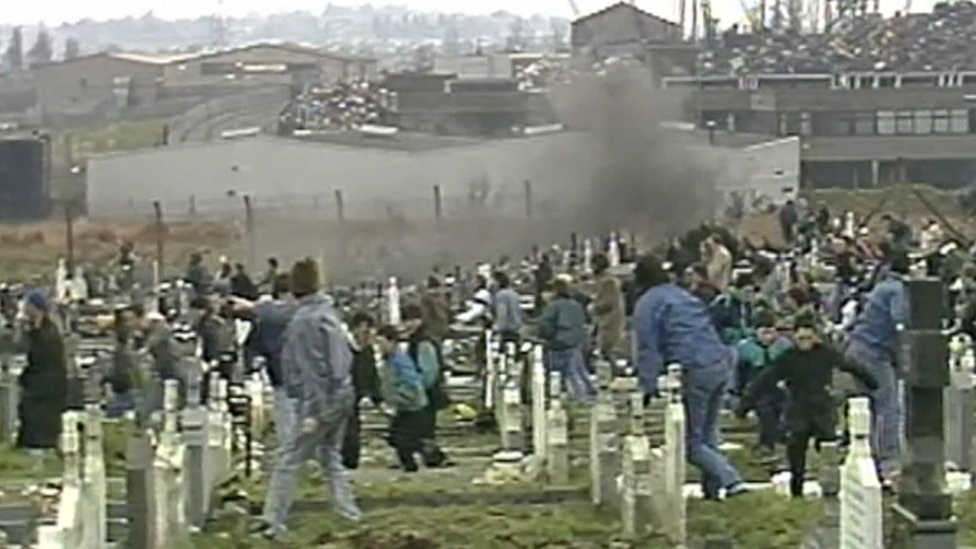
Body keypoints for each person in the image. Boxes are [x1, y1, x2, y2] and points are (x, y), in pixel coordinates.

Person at [257, 258, 360, 538]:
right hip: (341, 396)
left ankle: (273, 521)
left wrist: (314, 413)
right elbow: (341, 363)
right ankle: (347, 512)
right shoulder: (328, 314)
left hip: (318, 402)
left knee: (288, 460)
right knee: (330, 457)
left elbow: (311, 371)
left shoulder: (304, 322)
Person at [632, 255, 746, 500]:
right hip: (719, 360)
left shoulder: (648, 304)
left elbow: (648, 348)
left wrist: (647, 386)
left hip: (694, 368)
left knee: (692, 444)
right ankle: (712, 491)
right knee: (708, 433)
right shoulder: (682, 295)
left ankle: (733, 481)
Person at [738, 315, 877, 498]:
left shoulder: (826, 353)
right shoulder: (788, 358)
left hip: (822, 408)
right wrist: (744, 405)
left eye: (809, 338)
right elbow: (763, 380)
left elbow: (850, 366)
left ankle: (831, 488)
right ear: (794, 338)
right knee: (796, 454)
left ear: (816, 337)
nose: (805, 342)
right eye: (801, 339)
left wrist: (872, 382)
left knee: (828, 451)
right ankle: (797, 492)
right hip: (798, 408)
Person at [845, 252, 908, 485]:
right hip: (875, 353)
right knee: (889, 407)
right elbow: (899, 321)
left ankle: (864, 460)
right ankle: (889, 465)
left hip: (857, 348)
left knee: (866, 407)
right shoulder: (898, 291)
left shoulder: (882, 286)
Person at [244, 274, 297, 445]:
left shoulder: (264, 318)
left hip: (278, 375)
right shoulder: (301, 315)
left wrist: (255, 361)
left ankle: (291, 455)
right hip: (302, 375)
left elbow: (253, 344)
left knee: (285, 419)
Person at [734, 309, 792, 459]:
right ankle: (767, 445)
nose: (769, 337)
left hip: (779, 388)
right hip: (755, 390)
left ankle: (781, 436)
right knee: (765, 409)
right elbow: (740, 375)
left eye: (771, 332)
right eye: (764, 332)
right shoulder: (746, 349)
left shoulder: (784, 348)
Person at [16, 291, 68, 452]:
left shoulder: (48, 334)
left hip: (46, 387)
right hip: (40, 385)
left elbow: (41, 359)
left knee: (39, 420)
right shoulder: (38, 331)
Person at [375, 324, 429, 472]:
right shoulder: (390, 360)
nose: (379, 347)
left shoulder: (400, 360)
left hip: (411, 406)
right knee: (398, 438)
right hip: (403, 407)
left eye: (381, 343)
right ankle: (415, 462)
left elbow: (411, 383)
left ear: (392, 342)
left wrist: (399, 397)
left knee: (403, 440)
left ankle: (416, 464)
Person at [401, 304, 450, 467]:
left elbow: (429, 371)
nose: (409, 324)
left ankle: (433, 457)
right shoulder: (420, 339)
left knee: (424, 427)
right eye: (406, 320)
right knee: (424, 428)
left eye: (412, 320)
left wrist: (417, 389)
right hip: (425, 392)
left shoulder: (422, 342)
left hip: (425, 393)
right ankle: (431, 456)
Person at [537, 277, 594, 401]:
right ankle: (587, 397)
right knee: (579, 374)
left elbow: (544, 326)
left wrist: (549, 337)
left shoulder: (553, 306)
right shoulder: (576, 305)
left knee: (559, 379)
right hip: (575, 345)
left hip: (558, 346)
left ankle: (575, 400)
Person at [343, 311, 383, 470]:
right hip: (342, 396)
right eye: (365, 331)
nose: (368, 336)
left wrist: (377, 398)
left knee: (353, 431)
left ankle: (350, 463)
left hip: (355, 397)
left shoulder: (367, 351)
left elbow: (371, 375)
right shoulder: (342, 349)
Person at [590, 252, 624, 360]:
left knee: (608, 354)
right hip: (607, 322)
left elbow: (607, 302)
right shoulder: (607, 280)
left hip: (609, 323)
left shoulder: (608, 282)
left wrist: (592, 307)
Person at [492, 271, 523, 346]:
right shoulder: (514, 294)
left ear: (498, 282)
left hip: (506, 331)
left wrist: (496, 328)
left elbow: (502, 313)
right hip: (517, 329)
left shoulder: (501, 295)